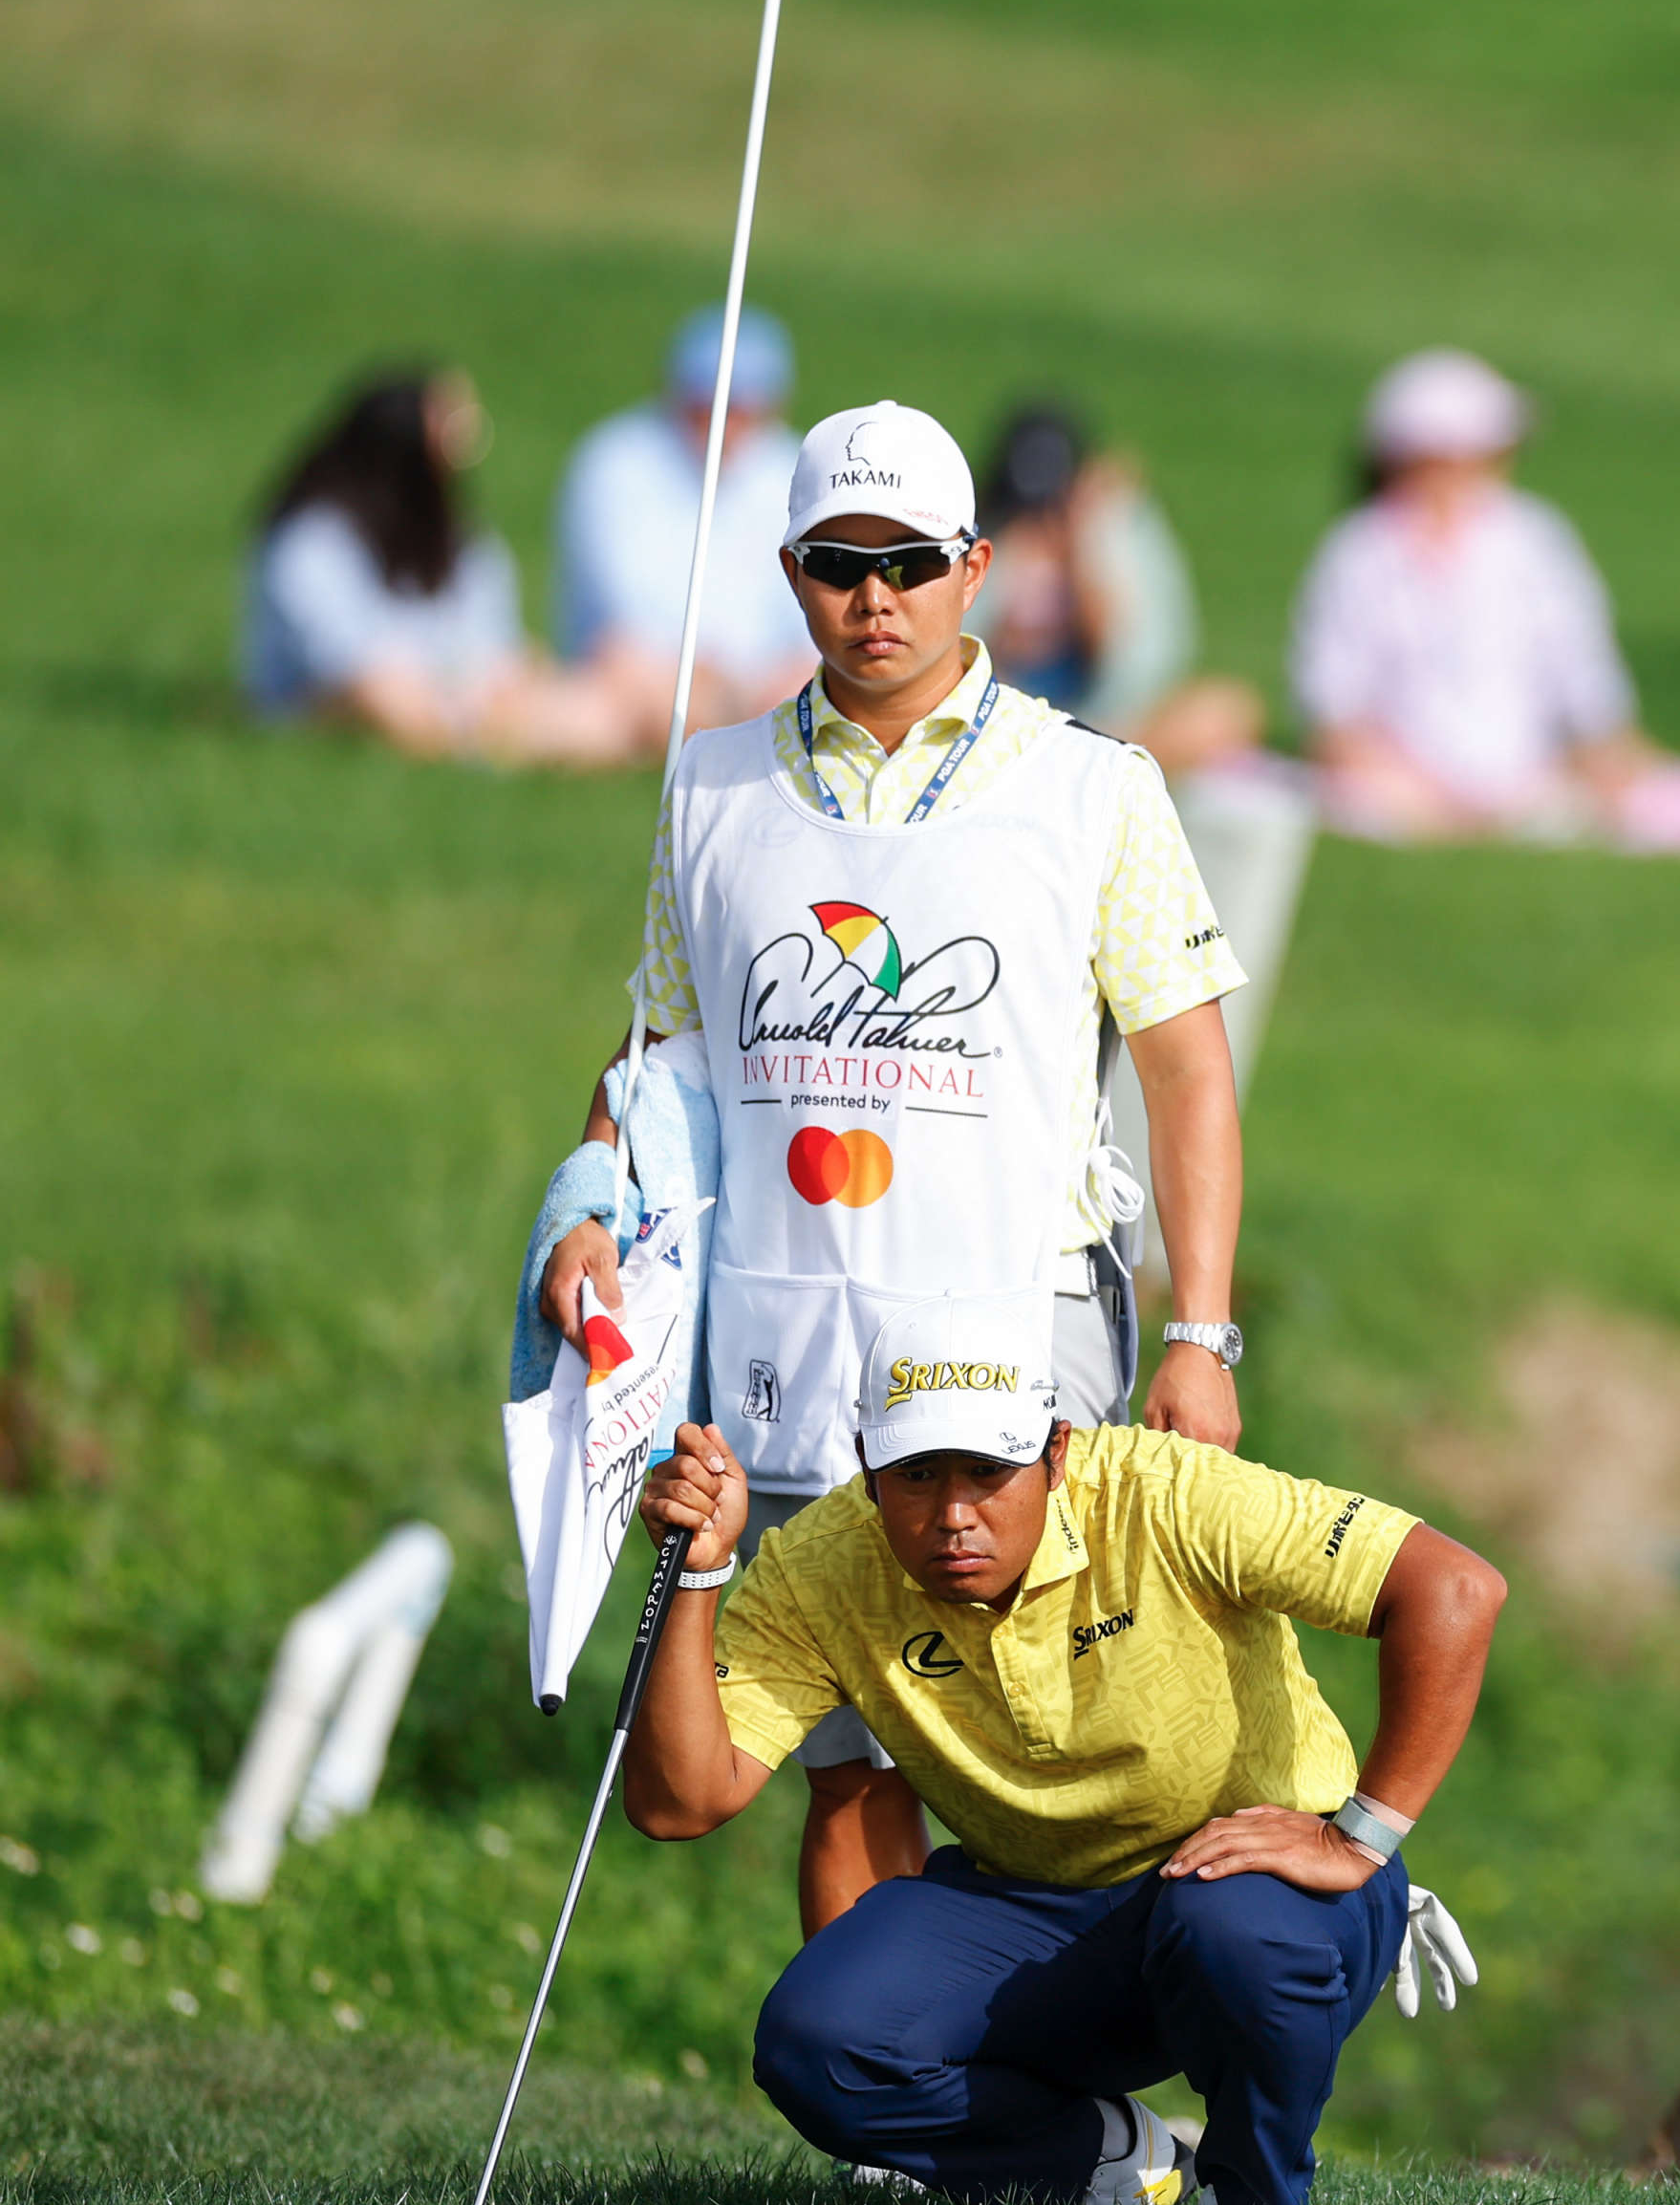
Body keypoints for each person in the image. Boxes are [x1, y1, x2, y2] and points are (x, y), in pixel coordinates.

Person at [535, 399, 1250, 1936]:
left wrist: (1200, 1333)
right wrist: (586, 1202)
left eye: (913, 562)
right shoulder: (708, 784)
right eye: (840, 564)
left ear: (978, 566)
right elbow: (660, 1058)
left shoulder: (1093, 783)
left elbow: (1188, 1066)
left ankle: (1068, 2088)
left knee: (1032, 1735)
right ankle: (904, 2149)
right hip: (791, 1323)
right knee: (854, 1765)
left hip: (1018, 1308)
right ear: (790, 570)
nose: (878, 598)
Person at [629, 1290, 1505, 2205]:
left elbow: (1454, 1589)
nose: (953, 1514)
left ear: (1056, 1451)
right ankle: (1104, 2160)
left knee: (1242, 1938)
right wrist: (700, 1577)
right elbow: (679, 1801)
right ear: (865, 1465)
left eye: (988, 1470)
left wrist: (1362, 1835)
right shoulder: (822, 1563)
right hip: (1033, 1907)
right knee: (821, 2044)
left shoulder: (1167, 1491)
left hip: (1253, 1886)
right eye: (918, 1474)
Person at [1291, 350, 1680, 854]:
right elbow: (1334, 709)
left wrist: (1608, 758)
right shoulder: (1359, 550)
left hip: (1530, 778)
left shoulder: (1534, 537)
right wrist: (1415, 788)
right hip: (1394, 782)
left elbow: (1583, 676)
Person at [245, 369, 629, 767]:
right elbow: (356, 677)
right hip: (336, 710)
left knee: (590, 705)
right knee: (389, 697)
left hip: (462, 704)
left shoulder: (457, 537)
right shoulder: (313, 541)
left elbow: (497, 648)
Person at [552, 305, 814, 751]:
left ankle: (715, 729)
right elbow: (617, 611)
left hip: (763, 678)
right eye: (707, 409)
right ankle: (734, 733)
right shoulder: (614, 462)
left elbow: (806, 611)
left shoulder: (796, 466)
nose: (724, 427)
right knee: (606, 687)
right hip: (646, 672)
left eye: (743, 412)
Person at [973, 401, 1262, 774]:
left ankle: (1085, 760)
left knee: (1228, 710)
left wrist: (1083, 547)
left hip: (1113, 717)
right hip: (1017, 717)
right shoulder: (989, 541)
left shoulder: (1114, 531)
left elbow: (1128, 660)